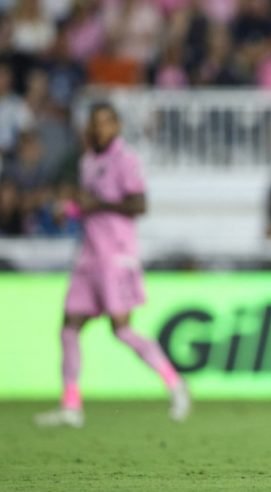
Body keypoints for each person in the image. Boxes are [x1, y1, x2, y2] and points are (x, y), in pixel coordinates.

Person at [35, 103, 190, 428]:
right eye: (95, 123)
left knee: (121, 329)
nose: (100, 129)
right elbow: (91, 207)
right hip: (88, 256)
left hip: (116, 256)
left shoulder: (126, 160)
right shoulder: (88, 161)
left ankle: (175, 384)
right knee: (68, 328)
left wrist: (98, 203)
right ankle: (71, 405)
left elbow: (140, 204)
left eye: (106, 123)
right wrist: (72, 210)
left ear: (117, 125)